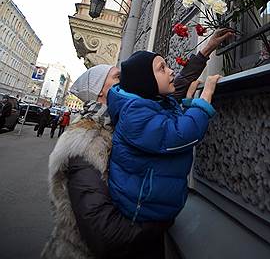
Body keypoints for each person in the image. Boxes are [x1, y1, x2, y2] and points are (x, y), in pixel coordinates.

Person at [41, 29, 232, 259]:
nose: (128, 81)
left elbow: (173, 87)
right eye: (119, 78)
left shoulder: (129, 114)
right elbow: (105, 232)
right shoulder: (84, 141)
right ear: (102, 92)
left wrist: (206, 49)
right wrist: (158, 223)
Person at [107, 52, 220, 258]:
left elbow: (168, 125)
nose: (170, 71)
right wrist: (204, 100)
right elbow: (177, 135)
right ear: (145, 79)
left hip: (153, 211)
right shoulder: (134, 113)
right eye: (162, 68)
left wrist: (187, 104)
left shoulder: (154, 103)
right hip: (140, 218)